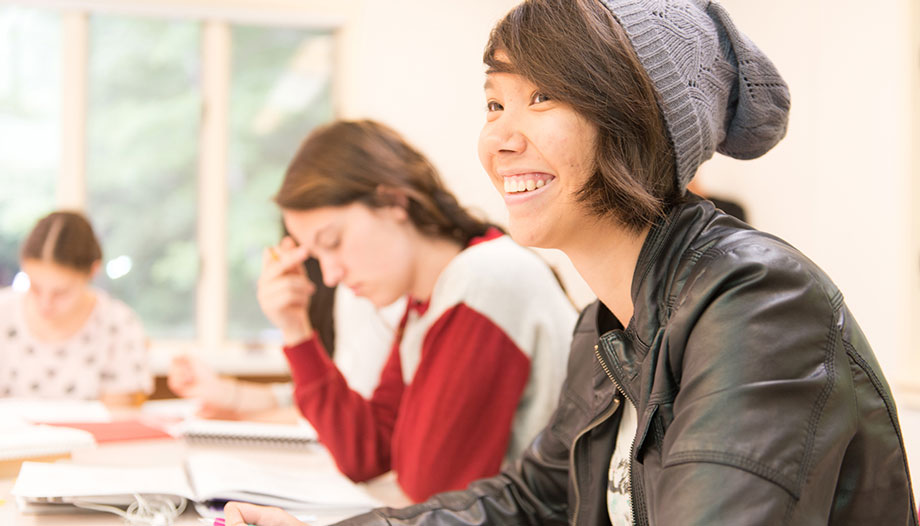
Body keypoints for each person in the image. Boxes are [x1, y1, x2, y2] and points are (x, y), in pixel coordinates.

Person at [225, 0, 915, 525]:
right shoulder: (605, 326)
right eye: (494, 103)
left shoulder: (756, 302)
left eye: (541, 97)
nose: (498, 137)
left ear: (633, 119)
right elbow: (526, 502)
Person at [249, 118, 575, 503]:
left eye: (333, 241)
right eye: (317, 258)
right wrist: (296, 330)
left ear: (392, 201)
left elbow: (431, 489)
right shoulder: (428, 304)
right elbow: (364, 454)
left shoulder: (483, 282)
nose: (332, 275)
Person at [167, 277, 404, 418]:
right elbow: (318, 401)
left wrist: (238, 410)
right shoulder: (349, 289)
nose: (332, 275)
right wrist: (224, 394)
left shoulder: (364, 290)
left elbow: (345, 417)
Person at [0, 211, 152, 406]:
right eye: (35, 288)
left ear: (93, 271)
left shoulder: (118, 324)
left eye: (61, 293)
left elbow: (119, 418)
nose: (45, 305)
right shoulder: (4, 313)